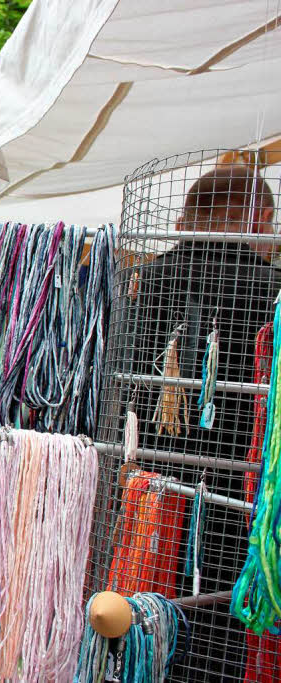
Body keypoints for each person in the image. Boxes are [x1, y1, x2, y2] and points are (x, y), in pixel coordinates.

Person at [128, 163, 280, 680]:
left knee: (141, 617)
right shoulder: (272, 285)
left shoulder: (146, 278)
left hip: (145, 487)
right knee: (223, 635)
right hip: (243, 494)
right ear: (259, 219)